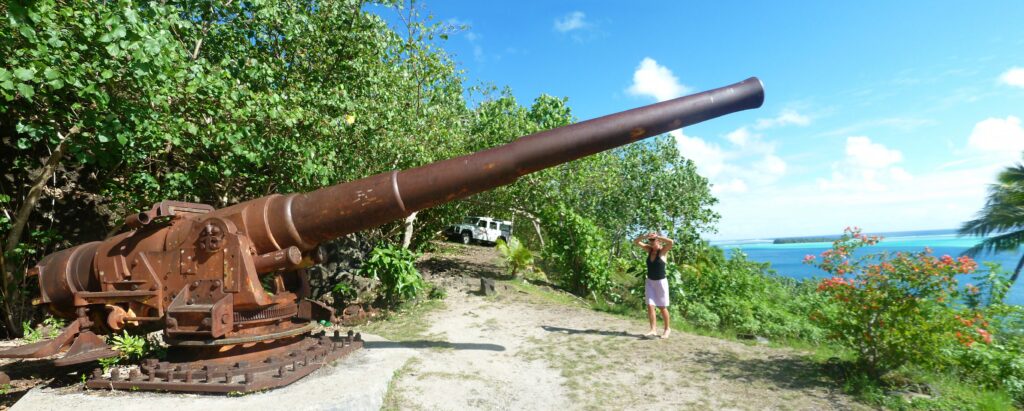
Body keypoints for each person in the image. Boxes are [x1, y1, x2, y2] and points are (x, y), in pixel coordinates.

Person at [633, 232, 674, 339]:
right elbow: (636, 241)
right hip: (650, 281)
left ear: (658, 240)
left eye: (653, 241)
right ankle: (653, 330)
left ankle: (667, 329)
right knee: (650, 305)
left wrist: (658, 237)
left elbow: (671, 242)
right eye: (650, 241)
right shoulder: (649, 250)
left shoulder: (663, 251)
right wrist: (645, 236)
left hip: (661, 282)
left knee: (662, 307)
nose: (651, 243)